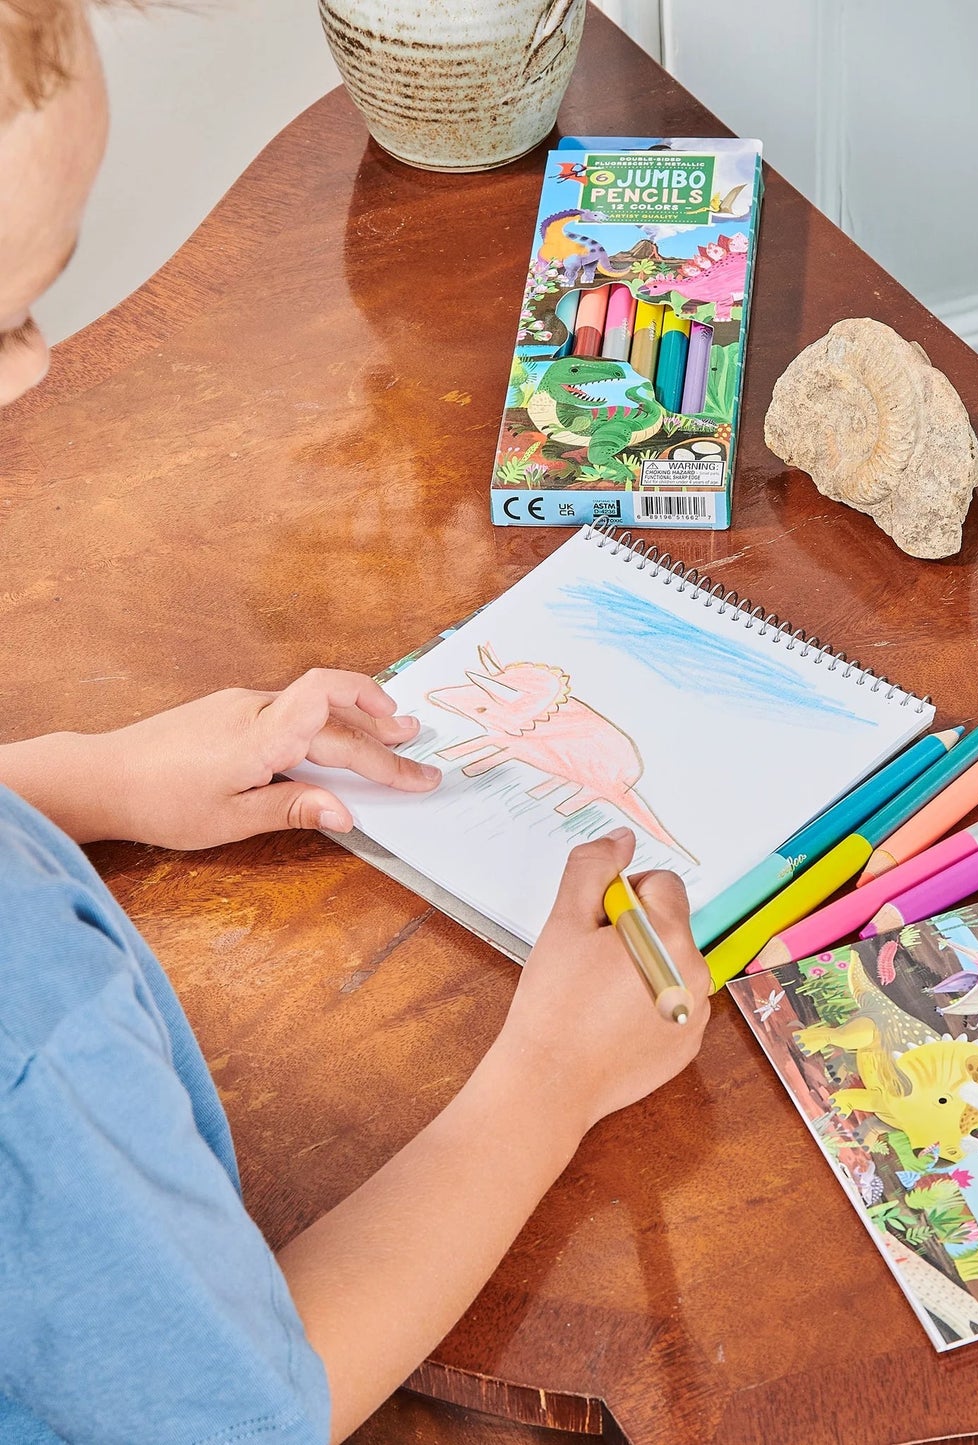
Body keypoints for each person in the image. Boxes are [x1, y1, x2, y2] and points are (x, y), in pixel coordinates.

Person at [0, 4, 712, 1442]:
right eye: (2, 312)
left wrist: (87, 778)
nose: (30, 366)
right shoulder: (38, 1027)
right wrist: (549, 1076)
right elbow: (243, 1415)